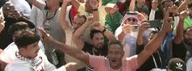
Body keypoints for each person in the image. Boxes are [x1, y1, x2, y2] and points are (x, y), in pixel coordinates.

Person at [39, 8, 172, 71]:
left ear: (122, 55)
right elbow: (76, 53)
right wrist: (51, 42)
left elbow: (148, 50)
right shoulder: (100, 62)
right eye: (111, 52)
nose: (113, 56)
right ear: (107, 53)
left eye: (116, 53)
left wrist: (164, 30)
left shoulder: (129, 64)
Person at [3, 30, 77, 71]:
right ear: (22, 50)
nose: (38, 48)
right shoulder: (14, 68)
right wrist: (64, 69)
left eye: (37, 44)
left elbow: (50, 68)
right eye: (34, 46)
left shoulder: (38, 54)